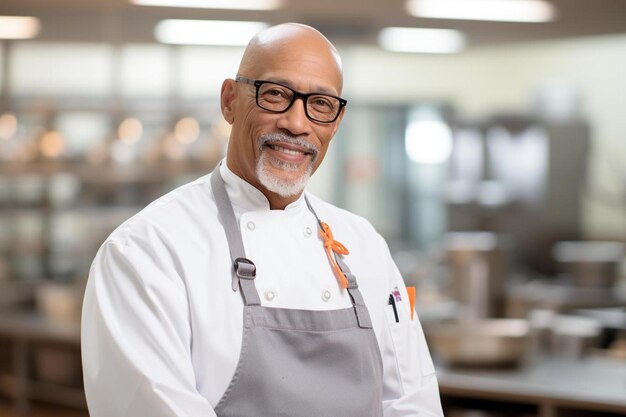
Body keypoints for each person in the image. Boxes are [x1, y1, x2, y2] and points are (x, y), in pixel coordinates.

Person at [81, 23, 443, 417]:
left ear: (337, 121)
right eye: (276, 94)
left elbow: (413, 402)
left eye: (320, 104)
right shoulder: (148, 251)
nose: (297, 123)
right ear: (230, 101)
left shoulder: (365, 245)